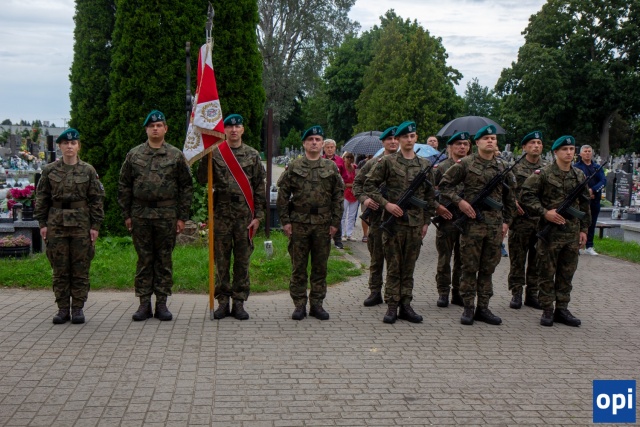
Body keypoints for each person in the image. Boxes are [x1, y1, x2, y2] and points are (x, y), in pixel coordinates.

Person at [118, 110, 193, 322]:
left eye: (159, 125)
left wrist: (182, 217)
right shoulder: (134, 155)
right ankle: (144, 304)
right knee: (144, 259)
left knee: (164, 260)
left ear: (165, 129)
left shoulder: (176, 155)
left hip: (166, 215)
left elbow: (186, 186)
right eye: (152, 126)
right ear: (146, 130)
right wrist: (127, 214)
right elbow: (124, 185)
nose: (155, 129)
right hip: (140, 214)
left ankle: (161, 303)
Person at [439, 124, 516, 326]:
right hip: (472, 224)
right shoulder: (465, 163)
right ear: (478, 142)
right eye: (486, 138)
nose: (490, 141)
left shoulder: (502, 167)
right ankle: (468, 307)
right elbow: (444, 186)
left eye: (493, 139)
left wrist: (507, 222)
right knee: (469, 266)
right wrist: (460, 202)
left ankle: (483, 307)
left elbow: (510, 197)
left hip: (494, 226)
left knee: (488, 268)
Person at [364, 121, 436, 324]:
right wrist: (386, 205)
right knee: (394, 266)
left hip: (414, 224)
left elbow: (430, 197)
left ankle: (406, 304)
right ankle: (392, 305)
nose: (409, 140)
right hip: (393, 224)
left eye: (412, 136)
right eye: (405, 137)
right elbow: (369, 185)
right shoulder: (387, 162)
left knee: (409, 267)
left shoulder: (424, 165)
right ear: (399, 139)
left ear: (416, 138)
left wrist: (426, 222)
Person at [196, 114, 266, 320]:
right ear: (224, 130)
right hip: (222, 214)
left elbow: (259, 188)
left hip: (245, 215)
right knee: (221, 260)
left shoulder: (252, 155)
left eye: (237, 126)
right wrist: (205, 157)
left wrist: (258, 216)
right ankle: (223, 302)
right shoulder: (215, 153)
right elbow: (202, 179)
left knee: (242, 261)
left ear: (243, 129)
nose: (234, 130)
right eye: (229, 127)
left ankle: (239, 302)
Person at [35, 128, 104, 324]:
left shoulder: (88, 171)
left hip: (81, 224)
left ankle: (78, 308)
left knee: (80, 268)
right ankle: (63, 309)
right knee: (60, 268)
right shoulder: (50, 171)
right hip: (56, 224)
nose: (69, 147)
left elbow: (96, 199)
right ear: (60, 146)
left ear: (78, 146)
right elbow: (41, 198)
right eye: (66, 143)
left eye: (73, 143)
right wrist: (42, 223)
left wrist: (95, 225)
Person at [520, 135, 590, 327]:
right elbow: (526, 195)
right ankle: (547, 309)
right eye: (564, 149)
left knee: (567, 273)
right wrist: (545, 212)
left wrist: (584, 229)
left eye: (571, 149)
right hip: (550, 234)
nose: (569, 152)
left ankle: (562, 309)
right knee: (546, 272)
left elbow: (585, 205)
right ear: (556, 152)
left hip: (571, 233)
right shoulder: (543, 174)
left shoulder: (579, 175)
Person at [277, 125, 344, 321]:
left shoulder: (331, 167)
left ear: (322, 144)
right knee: (298, 266)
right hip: (299, 223)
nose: (314, 142)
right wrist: (285, 221)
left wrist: (335, 222)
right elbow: (282, 195)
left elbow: (338, 196)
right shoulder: (294, 167)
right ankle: (299, 304)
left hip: (323, 224)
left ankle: (317, 304)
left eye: (317, 139)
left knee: (320, 267)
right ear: (304, 144)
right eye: (310, 139)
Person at [352, 126, 398, 307]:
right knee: (376, 258)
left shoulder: (405, 163)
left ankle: (394, 294)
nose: (393, 142)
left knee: (396, 259)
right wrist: (365, 199)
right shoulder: (372, 163)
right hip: (378, 218)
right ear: (383, 142)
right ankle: (375, 291)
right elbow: (357, 184)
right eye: (389, 139)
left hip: (398, 219)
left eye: (396, 139)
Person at [507, 131, 546, 310]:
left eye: (539, 143)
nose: (536, 146)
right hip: (520, 221)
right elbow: (506, 190)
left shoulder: (547, 168)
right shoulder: (514, 167)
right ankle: (516, 293)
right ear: (524, 147)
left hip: (540, 222)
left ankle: (532, 294)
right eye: (532, 143)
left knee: (537, 260)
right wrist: (513, 202)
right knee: (517, 259)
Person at [432, 131, 470, 308]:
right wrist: (437, 207)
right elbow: (427, 191)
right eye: (458, 144)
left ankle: (458, 292)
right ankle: (443, 292)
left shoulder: (472, 167)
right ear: (450, 147)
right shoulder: (441, 168)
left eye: (465, 144)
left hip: (467, 219)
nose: (462, 147)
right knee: (444, 258)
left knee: (463, 259)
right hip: (447, 219)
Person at [574, 145, 606, 256]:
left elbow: (603, 181)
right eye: (585, 151)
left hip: (594, 200)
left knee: (592, 222)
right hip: (581, 201)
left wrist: (593, 190)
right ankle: (578, 245)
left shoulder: (597, 167)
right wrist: (586, 193)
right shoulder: (576, 167)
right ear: (580, 154)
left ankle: (589, 246)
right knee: (579, 223)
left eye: (589, 151)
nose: (587, 153)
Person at [322, 138, 346, 249]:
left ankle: (338, 240)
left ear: (335, 148)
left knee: (337, 215)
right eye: (327, 147)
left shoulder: (340, 161)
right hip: (323, 193)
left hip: (336, 193)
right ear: (324, 148)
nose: (330, 149)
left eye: (332, 147)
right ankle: (324, 238)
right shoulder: (320, 160)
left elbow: (345, 175)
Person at [341, 152, 358, 241]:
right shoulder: (342, 168)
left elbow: (358, 180)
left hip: (354, 193)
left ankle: (349, 234)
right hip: (344, 193)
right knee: (343, 215)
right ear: (344, 158)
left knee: (352, 215)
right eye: (347, 157)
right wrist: (350, 185)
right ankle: (342, 234)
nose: (349, 159)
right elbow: (341, 182)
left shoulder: (355, 167)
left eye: (351, 157)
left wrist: (352, 185)